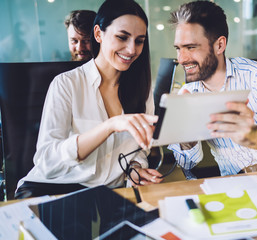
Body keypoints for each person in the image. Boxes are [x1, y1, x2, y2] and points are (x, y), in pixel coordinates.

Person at [15, 0, 163, 199]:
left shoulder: (142, 89)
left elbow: (137, 150)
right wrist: (109, 126)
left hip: (109, 193)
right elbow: (46, 160)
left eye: (139, 41)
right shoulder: (66, 84)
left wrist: (135, 168)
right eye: (122, 37)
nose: (131, 50)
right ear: (98, 34)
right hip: (56, 187)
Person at [167, 1, 257, 178]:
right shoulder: (188, 94)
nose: (182, 59)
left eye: (191, 47)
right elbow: (187, 164)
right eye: (178, 48)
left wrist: (251, 135)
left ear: (219, 45)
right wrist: (186, 135)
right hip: (238, 179)